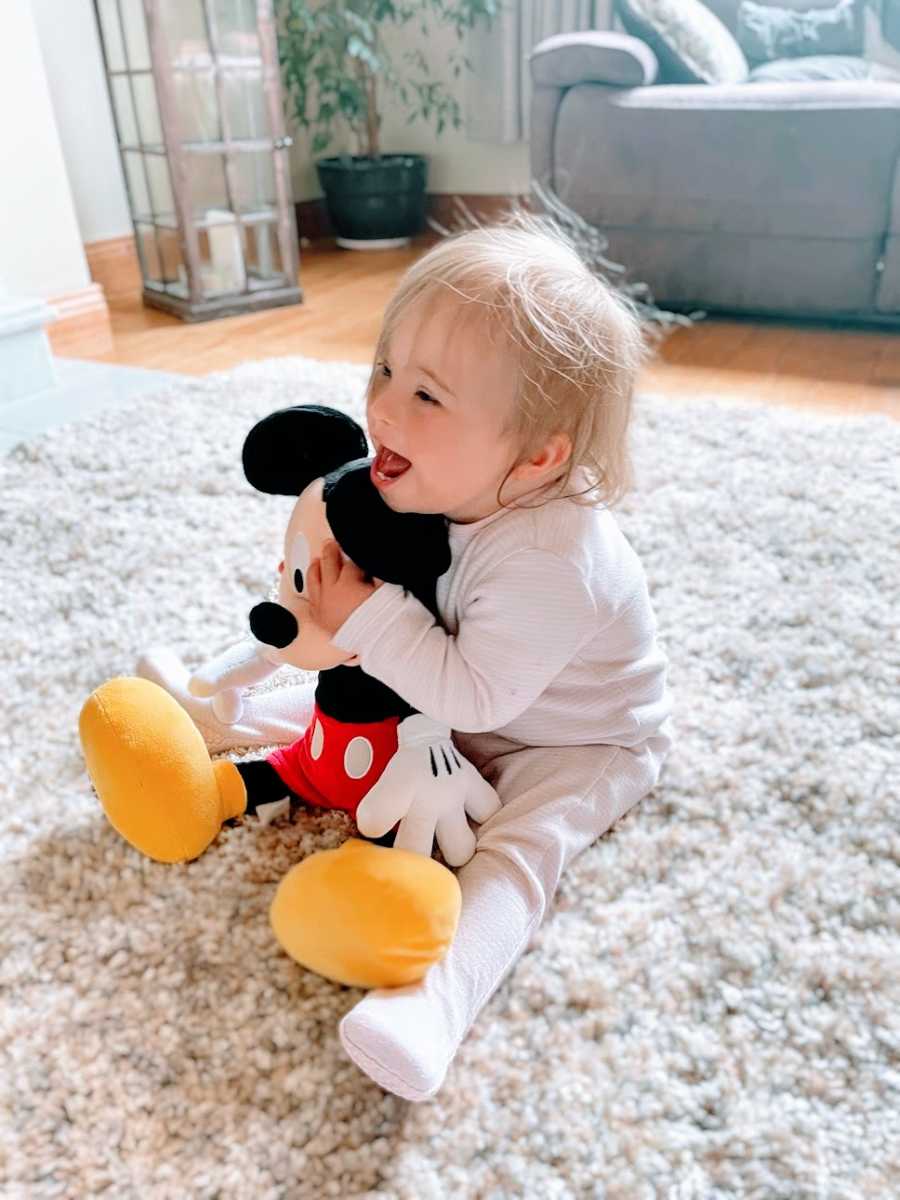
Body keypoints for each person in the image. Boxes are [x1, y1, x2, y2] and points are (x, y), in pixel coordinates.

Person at [140, 211, 673, 1102]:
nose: (382, 406)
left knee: (518, 849)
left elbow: (471, 697)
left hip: (578, 742)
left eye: (427, 396)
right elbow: (394, 664)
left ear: (539, 456)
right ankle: (218, 711)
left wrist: (375, 614)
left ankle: (432, 1005)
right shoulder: (448, 482)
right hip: (457, 701)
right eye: (384, 368)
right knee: (363, 703)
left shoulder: (553, 558)